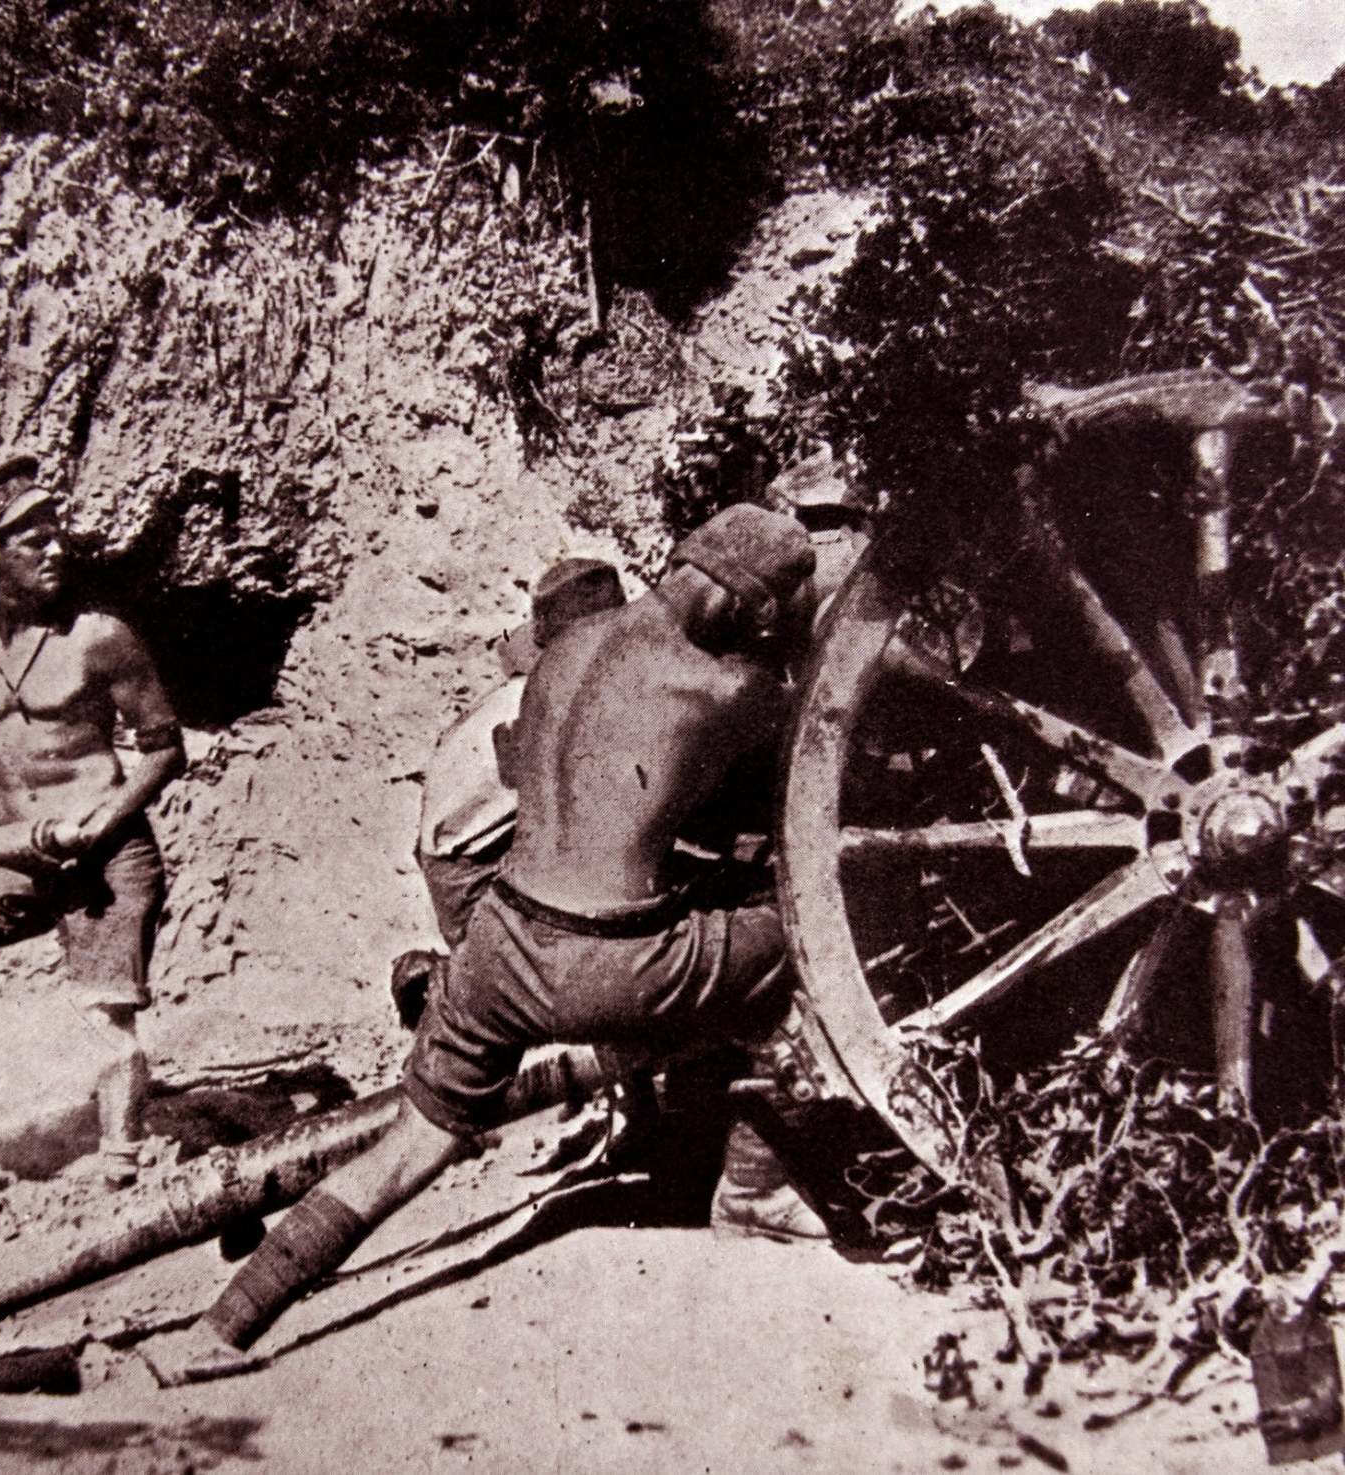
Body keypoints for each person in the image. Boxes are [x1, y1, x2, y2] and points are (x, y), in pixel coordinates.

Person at [142, 503, 830, 1385]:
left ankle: (219, 1331)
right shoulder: (732, 689)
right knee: (800, 953)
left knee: (409, 1145)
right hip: (610, 960)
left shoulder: (567, 648)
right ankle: (756, 1190)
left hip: (498, 942)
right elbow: (815, 751)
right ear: (755, 609)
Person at [0, 453, 183, 1187]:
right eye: (34, 540)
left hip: (107, 857)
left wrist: (103, 819)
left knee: (104, 1021)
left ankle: (120, 1161)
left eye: (57, 535)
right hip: (16, 854)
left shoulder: (99, 637)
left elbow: (165, 748)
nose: (56, 550)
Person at [393, 557, 626, 1026]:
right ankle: (462, 986)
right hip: (477, 889)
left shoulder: (529, 683)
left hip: (460, 862)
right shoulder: (558, 703)